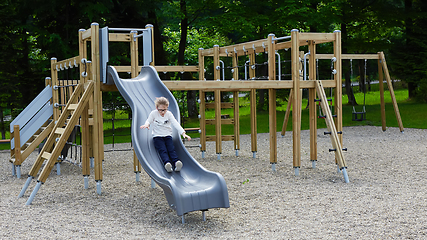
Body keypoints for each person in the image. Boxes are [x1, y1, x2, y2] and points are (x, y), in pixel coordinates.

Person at [140, 97, 191, 172]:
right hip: (157, 136)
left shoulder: (169, 114)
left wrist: (183, 133)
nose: (163, 112)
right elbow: (149, 120)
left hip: (167, 135)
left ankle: (176, 162)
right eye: (160, 110)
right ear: (157, 108)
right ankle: (167, 164)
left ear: (167, 107)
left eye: (164, 110)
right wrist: (147, 124)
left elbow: (175, 123)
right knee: (162, 150)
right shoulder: (154, 113)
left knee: (171, 149)